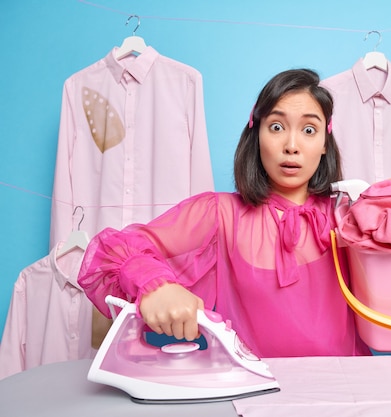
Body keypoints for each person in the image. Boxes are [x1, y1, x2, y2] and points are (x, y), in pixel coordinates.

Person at [77, 68, 372, 357]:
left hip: (346, 394)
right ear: (256, 134)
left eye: (309, 130)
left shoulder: (349, 214)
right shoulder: (220, 214)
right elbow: (111, 252)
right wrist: (156, 285)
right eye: (277, 127)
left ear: (324, 143)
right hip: (257, 396)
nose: (291, 146)